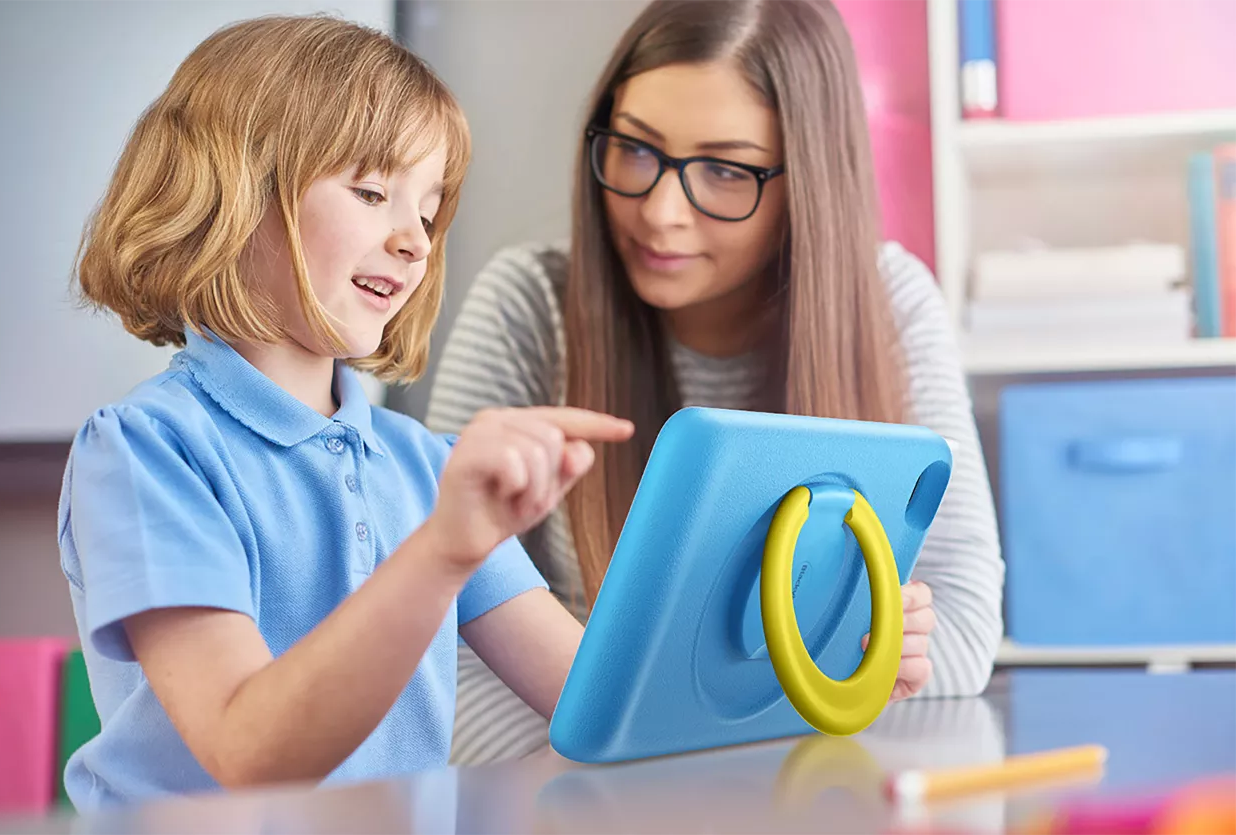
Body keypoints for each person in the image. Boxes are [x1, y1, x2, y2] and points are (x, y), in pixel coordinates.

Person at [56, 14, 632, 809]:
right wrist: (441, 551)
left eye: (428, 212)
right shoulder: (146, 449)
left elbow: (605, 709)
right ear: (235, 191)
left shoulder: (424, 465)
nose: (416, 241)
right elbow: (248, 749)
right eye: (371, 192)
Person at [426, 0, 1004, 765]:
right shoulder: (527, 303)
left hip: (804, 792)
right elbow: (435, 626)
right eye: (635, 149)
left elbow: (961, 624)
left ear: (808, 181)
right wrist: (593, 785)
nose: (659, 212)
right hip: (583, 789)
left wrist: (739, 766)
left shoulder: (889, 300)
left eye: (726, 171)